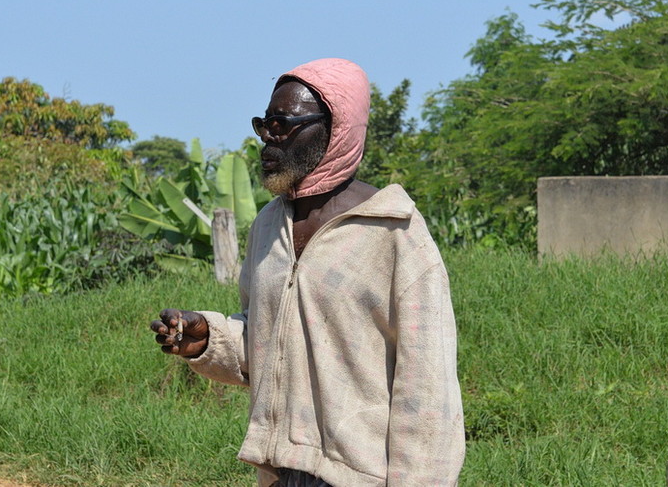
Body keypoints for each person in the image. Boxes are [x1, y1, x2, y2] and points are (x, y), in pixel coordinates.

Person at [151, 58, 465, 486]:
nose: (267, 141)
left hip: (361, 475)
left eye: (283, 126)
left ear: (337, 128)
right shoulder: (268, 225)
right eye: (264, 126)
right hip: (281, 471)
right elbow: (270, 339)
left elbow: (428, 386)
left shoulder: (394, 231)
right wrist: (209, 337)